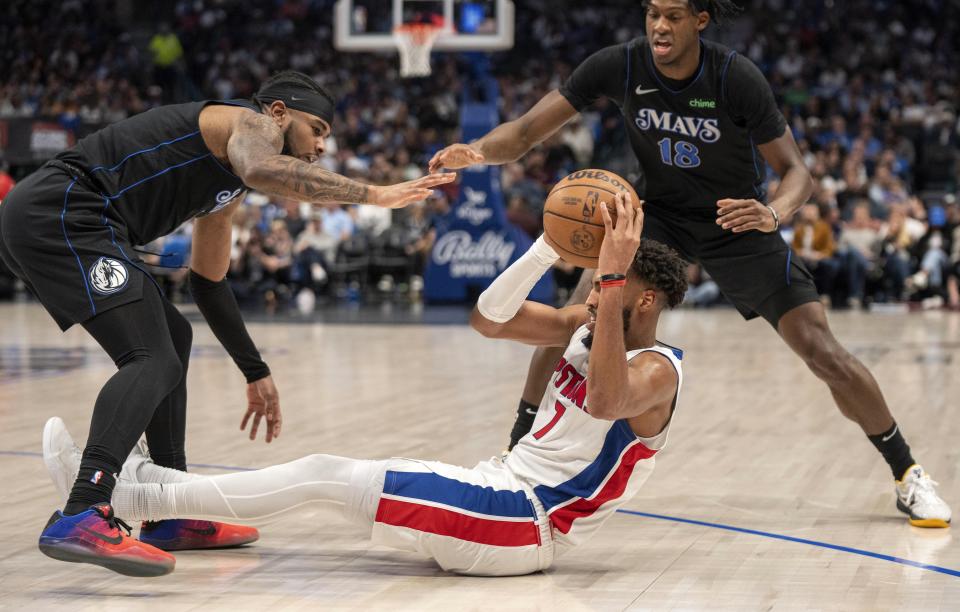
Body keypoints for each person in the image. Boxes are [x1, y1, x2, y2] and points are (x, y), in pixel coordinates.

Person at [428, 0, 950, 526]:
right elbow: (521, 134)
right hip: (661, 219)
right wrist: (474, 151)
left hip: (737, 220)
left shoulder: (733, 76)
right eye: (652, 12)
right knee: (572, 320)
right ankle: (517, 449)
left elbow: (797, 173)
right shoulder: (621, 64)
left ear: (699, 21)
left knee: (821, 349)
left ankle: (907, 473)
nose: (659, 24)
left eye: (674, 15)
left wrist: (773, 212)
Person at [42, 193, 688, 577]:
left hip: (523, 521)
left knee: (325, 474)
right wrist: (548, 247)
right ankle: (135, 491)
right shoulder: (590, 321)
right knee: (325, 478)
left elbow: (606, 399)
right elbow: (489, 319)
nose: (601, 293)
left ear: (645, 298)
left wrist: (606, 282)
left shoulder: (659, 372)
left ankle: (124, 493)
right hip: (496, 493)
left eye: (616, 287)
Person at [1, 69, 455, 577]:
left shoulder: (231, 181)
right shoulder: (251, 125)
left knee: (174, 335)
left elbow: (207, 282)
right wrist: (374, 194)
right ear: (279, 113)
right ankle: (83, 508)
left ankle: (166, 510)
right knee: (150, 356)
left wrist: (254, 370)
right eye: (318, 129)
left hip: (78, 220)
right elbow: (264, 169)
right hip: (61, 210)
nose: (324, 145)